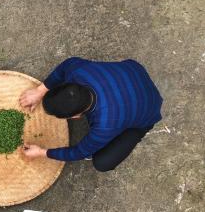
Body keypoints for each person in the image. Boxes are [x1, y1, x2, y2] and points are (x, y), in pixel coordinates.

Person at [18, 57, 163, 172]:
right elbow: (65, 66)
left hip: (149, 109)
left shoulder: (105, 126)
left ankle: (136, 130)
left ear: (75, 116)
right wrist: (39, 91)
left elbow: (79, 152)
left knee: (102, 163)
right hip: (133, 71)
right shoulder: (78, 70)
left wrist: (41, 152)